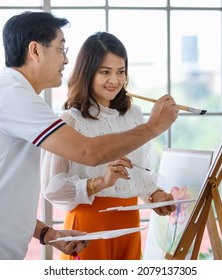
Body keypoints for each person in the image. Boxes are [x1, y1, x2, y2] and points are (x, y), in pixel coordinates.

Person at [0, 12, 179, 260]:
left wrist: (47, 234)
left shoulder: (16, 96)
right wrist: (153, 126)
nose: (66, 59)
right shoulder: (13, 97)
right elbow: (88, 152)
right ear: (35, 50)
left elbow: (3, 195)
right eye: (61, 48)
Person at [41, 32, 176, 260]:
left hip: (130, 228)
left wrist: (156, 195)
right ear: (87, 72)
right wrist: (100, 183)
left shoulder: (134, 116)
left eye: (120, 72)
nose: (114, 80)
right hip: (87, 230)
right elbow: (53, 188)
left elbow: (141, 176)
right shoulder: (70, 120)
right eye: (105, 72)